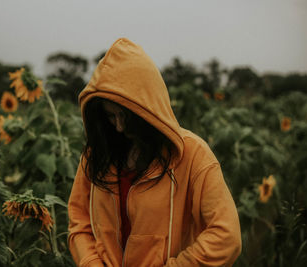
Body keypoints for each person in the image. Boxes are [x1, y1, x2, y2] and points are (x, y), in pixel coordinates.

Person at [68, 38, 241, 267]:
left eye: (126, 117)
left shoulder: (193, 154)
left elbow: (226, 236)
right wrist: (91, 263)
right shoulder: (98, 153)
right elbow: (79, 221)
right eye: (111, 116)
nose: (119, 127)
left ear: (148, 109)